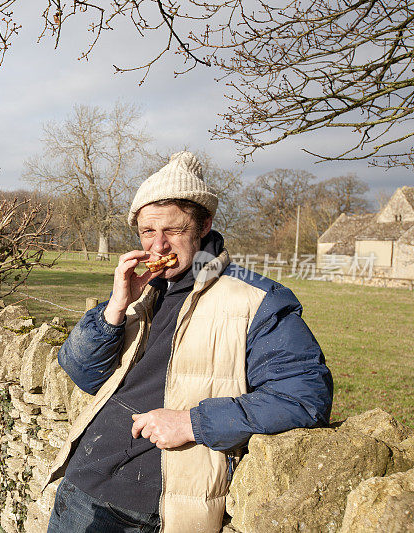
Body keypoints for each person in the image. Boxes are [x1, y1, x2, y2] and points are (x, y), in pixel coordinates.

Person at [42, 151, 333, 533]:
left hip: (152, 511)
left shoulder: (255, 300)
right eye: (148, 232)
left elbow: (305, 398)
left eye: (174, 230)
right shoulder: (143, 292)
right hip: (81, 488)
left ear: (204, 225)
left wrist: (192, 422)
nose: (158, 246)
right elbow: (82, 373)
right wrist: (115, 306)